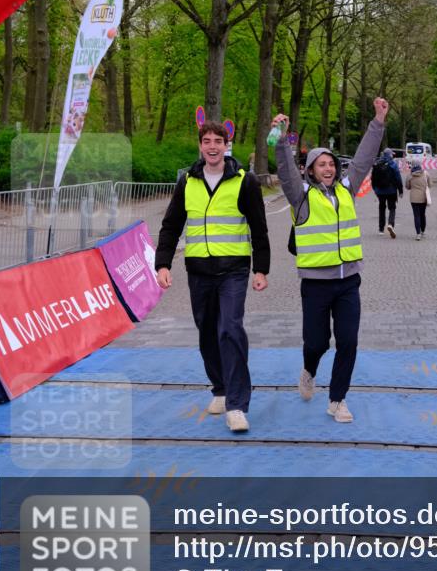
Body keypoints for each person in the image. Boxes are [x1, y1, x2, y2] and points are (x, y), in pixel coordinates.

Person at [273, 97, 388, 423]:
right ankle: (309, 370)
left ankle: (338, 400)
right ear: (310, 170)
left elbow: (364, 158)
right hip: (316, 284)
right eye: (321, 165)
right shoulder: (301, 196)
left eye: (332, 164)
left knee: (348, 342)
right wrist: (282, 141)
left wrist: (377, 122)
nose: (328, 169)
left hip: (349, 280)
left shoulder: (346, 189)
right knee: (317, 343)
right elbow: (284, 172)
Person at [155, 121, 270, 434]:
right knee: (207, 332)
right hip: (199, 271)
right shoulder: (187, 182)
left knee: (230, 329)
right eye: (206, 141)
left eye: (218, 140)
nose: (212, 146)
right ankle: (220, 387)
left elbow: (259, 228)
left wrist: (261, 269)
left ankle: (237, 405)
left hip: (233, 269)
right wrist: (162, 264)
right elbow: (171, 225)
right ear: (200, 146)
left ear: (226, 144)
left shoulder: (245, 181)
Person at [371, 147, 403, 238]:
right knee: (392, 208)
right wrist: (400, 191)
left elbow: (372, 178)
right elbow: (398, 178)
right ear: (389, 155)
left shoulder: (377, 164)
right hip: (391, 190)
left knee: (381, 208)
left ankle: (381, 229)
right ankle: (390, 224)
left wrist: (375, 189)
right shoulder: (393, 164)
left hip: (380, 191)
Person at [405, 161, 430, 240]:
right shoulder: (426, 174)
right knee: (423, 214)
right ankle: (423, 231)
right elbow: (430, 184)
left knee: (416, 215)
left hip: (414, 198)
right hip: (423, 197)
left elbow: (407, 186)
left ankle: (418, 234)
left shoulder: (410, 175)